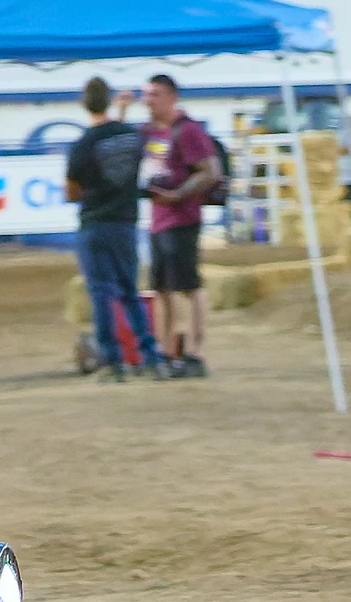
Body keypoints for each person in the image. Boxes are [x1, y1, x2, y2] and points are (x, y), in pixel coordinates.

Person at [65, 77, 165, 382]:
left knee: (101, 294)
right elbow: (120, 151)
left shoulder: (82, 145)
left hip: (96, 223)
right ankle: (150, 357)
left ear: (84, 104)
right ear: (109, 101)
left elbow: (71, 192)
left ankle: (113, 362)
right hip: (125, 223)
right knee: (129, 292)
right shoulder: (132, 137)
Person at [137, 74, 222, 378]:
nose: (149, 100)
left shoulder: (188, 131)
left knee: (188, 287)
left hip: (182, 219)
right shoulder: (149, 132)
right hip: (159, 221)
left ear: (172, 97)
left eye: (155, 94)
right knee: (161, 288)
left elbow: (210, 171)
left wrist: (178, 195)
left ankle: (194, 353)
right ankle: (166, 351)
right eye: (147, 94)